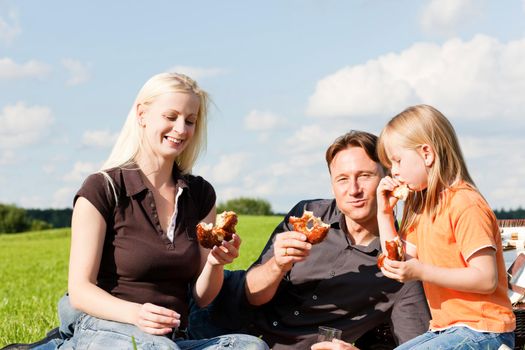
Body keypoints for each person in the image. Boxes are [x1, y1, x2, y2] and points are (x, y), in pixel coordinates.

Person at [50, 72, 268, 350]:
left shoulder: (200, 194)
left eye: (190, 121)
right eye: (171, 116)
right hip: (105, 326)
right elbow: (80, 291)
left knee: (251, 347)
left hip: (172, 339)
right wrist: (135, 314)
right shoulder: (103, 188)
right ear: (142, 115)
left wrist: (214, 263)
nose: (181, 129)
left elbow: (202, 298)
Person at [188, 130, 430, 350]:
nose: (353, 189)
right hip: (213, 322)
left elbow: (415, 344)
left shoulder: (399, 264)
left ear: (388, 178)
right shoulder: (307, 215)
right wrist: (277, 265)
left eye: (365, 176)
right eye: (342, 179)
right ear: (332, 185)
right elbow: (250, 293)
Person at [375, 104, 515, 349]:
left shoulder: (465, 203)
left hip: (485, 329)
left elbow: (486, 279)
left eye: (397, 161)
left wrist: (421, 271)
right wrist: (385, 213)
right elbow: (399, 261)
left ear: (426, 154)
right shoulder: (420, 209)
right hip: (445, 329)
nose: (393, 172)